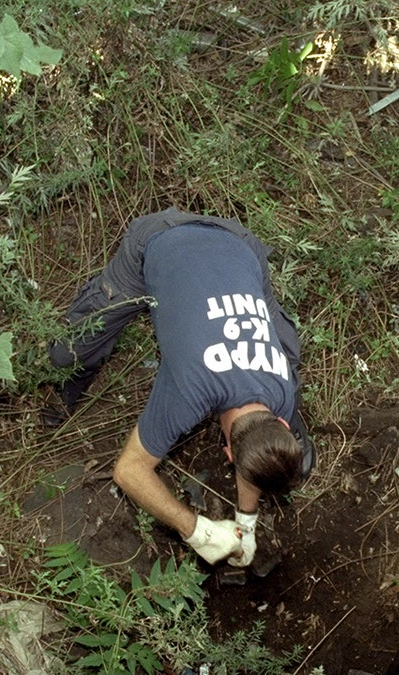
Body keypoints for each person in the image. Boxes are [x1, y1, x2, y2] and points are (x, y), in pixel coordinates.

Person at [46, 208, 315, 568]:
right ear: (230, 455)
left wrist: (245, 523)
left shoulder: (281, 384)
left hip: (240, 246)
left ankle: (288, 462)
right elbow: (128, 471)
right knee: (66, 355)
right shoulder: (192, 390)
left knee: (288, 347)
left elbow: (254, 444)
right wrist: (196, 530)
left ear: (281, 424)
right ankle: (60, 397)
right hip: (159, 241)